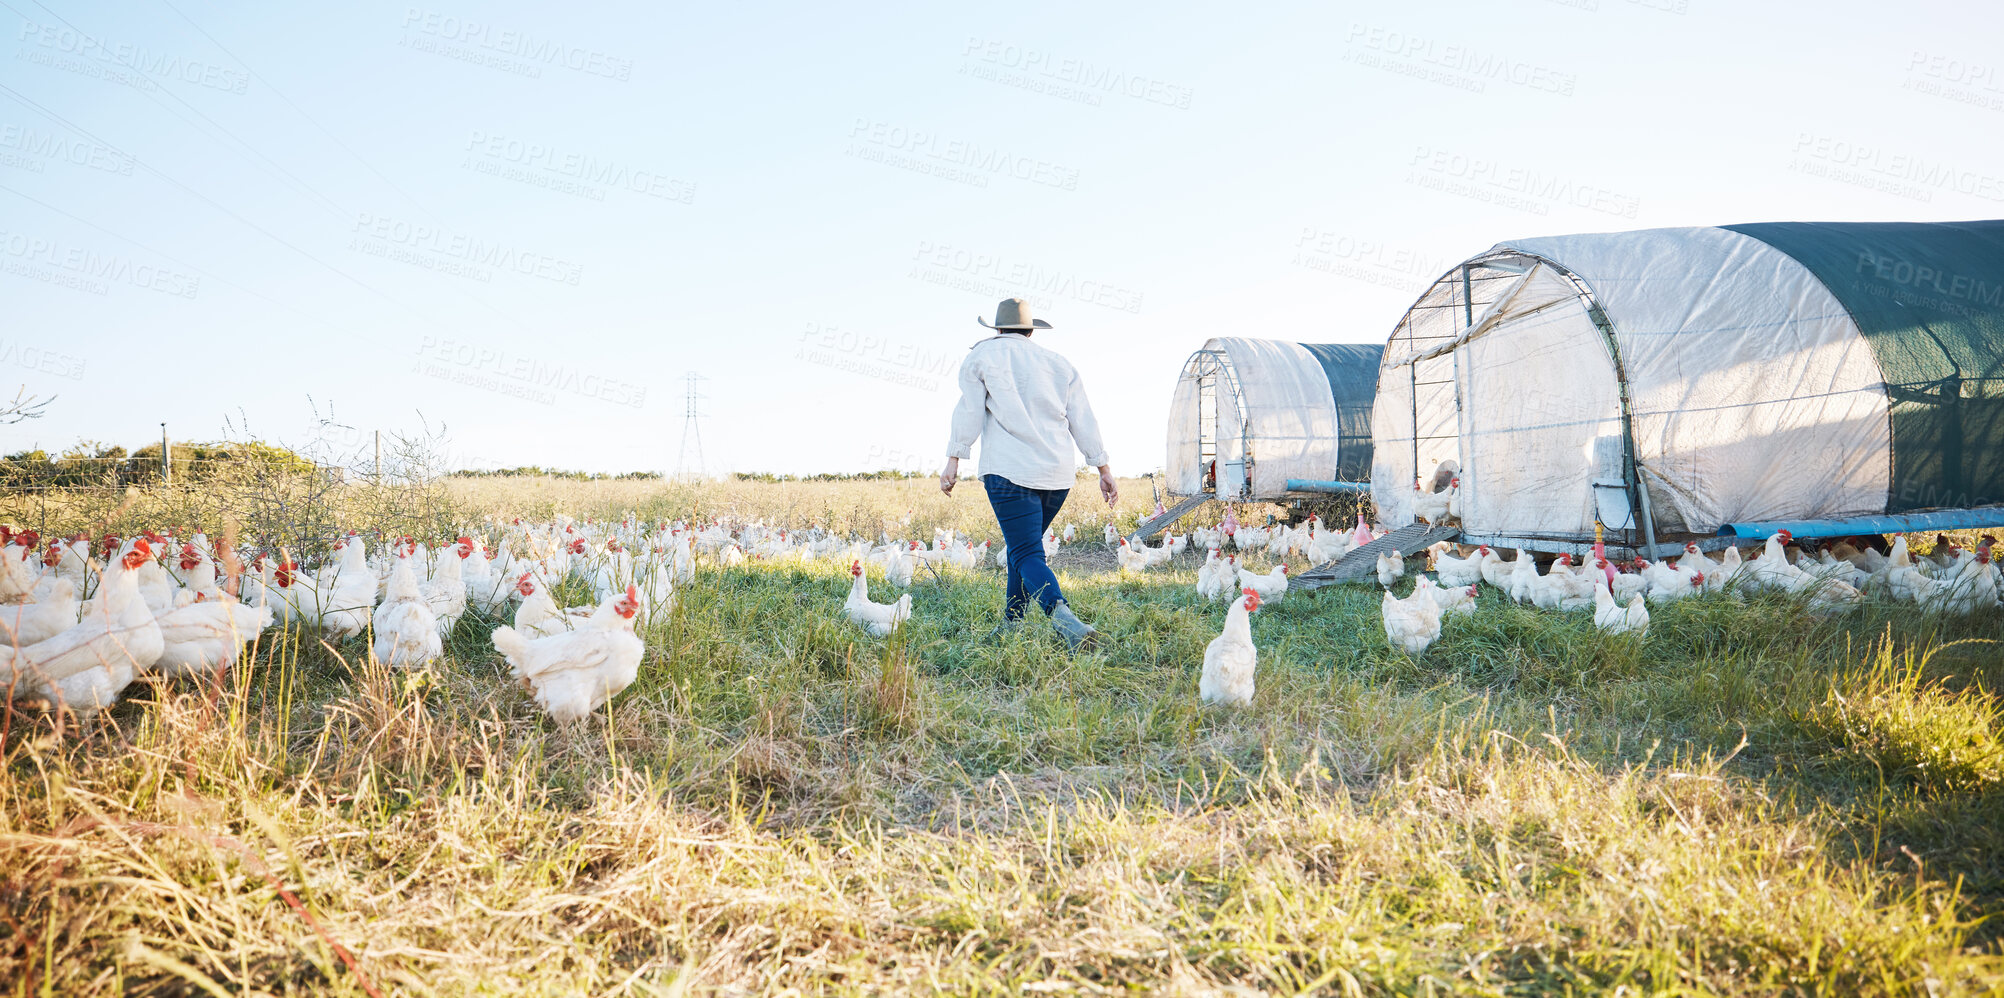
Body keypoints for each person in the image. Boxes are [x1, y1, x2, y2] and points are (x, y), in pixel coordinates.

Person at [941, 298, 1117, 651]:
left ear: (997, 328)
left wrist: (954, 459)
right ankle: (1011, 623)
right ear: (1031, 329)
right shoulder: (1059, 364)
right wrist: (1103, 468)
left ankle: (1064, 618)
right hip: (1057, 476)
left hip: (1008, 472)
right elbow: (1083, 418)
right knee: (1022, 550)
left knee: (1025, 552)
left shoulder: (982, 356)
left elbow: (969, 411)